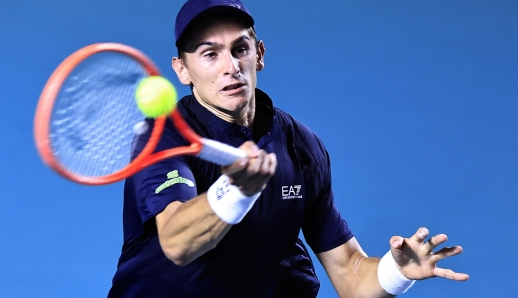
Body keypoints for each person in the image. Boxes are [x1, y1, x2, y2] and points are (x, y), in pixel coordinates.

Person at [108, 0, 469, 297]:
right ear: (182, 70)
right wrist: (234, 190)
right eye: (210, 54)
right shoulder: (162, 138)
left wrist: (396, 271)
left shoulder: (301, 144)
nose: (231, 66)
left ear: (259, 55)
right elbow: (176, 242)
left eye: (240, 49)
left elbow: (349, 273)